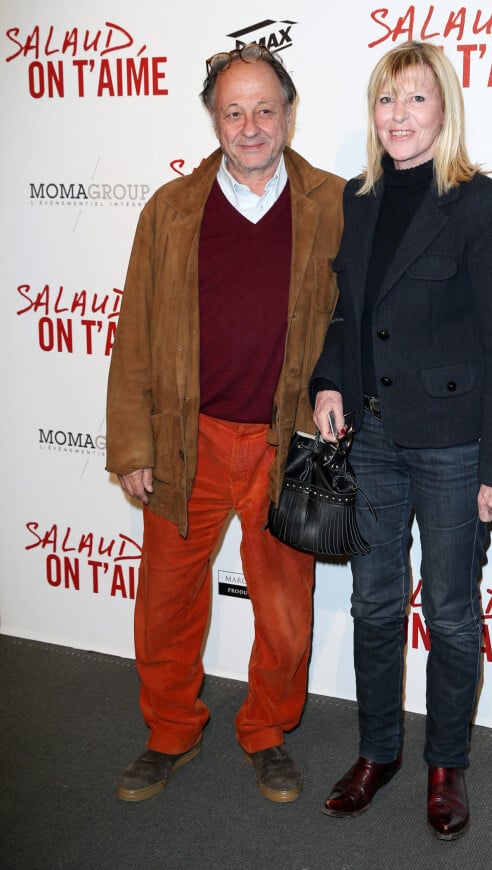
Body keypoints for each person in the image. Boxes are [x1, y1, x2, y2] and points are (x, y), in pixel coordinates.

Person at [106, 43, 344, 804]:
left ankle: (267, 732)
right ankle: (170, 731)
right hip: (189, 441)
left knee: (285, 616)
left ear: (289, 113)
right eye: (233, 112)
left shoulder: (336, 203)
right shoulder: (170, 210)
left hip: (286, 445)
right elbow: (134, 334)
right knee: (167, 601)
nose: (250, 127)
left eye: (264, 110)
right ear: (214, 118)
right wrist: (133, 446)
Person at [311, 41, 492, 839]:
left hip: (451, 446)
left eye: (415, 99)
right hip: (367, 434)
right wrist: (329, 381)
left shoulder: (485, 206)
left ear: (445, 109)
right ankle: (379, 752)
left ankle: (445, 765)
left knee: (448, 610)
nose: (398, 116)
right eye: (385, 100)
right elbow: (348, 313)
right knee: (374, 602)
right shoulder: (360, 197)